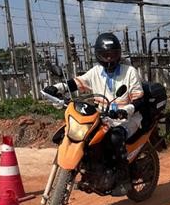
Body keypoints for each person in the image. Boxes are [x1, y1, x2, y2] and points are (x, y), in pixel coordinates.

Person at [43, 33, 144, 190]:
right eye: (105, 55)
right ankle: (92, 170)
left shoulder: (130, 72)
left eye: (113, 54)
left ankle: (124, 178)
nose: (109, 59)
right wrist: (57, 88)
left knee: (115, 138)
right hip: (102, 118)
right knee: (87, 137)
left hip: (126, 120)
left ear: (119, 54)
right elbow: (76, 83)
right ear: (98, 55)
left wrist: (126, 111)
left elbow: (139, 99)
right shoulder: (95, 71)